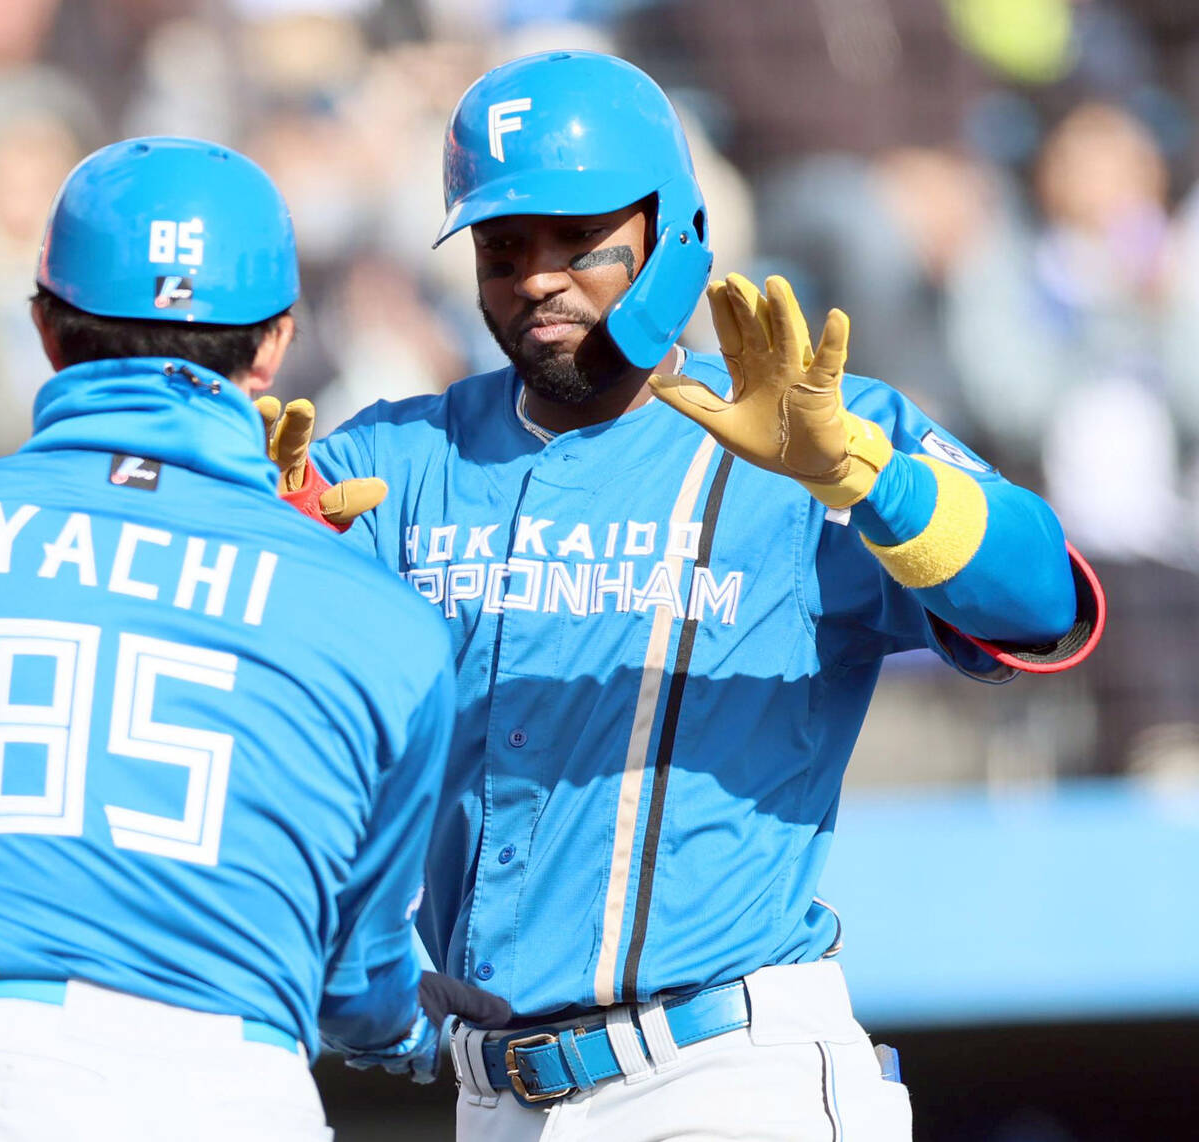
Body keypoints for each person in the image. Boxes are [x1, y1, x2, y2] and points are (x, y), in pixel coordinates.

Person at [270, 52, 1104, 1141]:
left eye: (581, 239)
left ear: (676, 232)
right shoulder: (398, 456)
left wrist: (871, 478)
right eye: (504, 244)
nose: (536, 276)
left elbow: (1043, 599)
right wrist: (260, 544)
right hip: (494, 1100)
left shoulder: (810, 428)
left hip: (725, 1077)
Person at [0, 136, 506, 1142]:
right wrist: (405, 1030)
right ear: (273, 346)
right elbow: (360, 980)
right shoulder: (377, 617)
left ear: (47, 328)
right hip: (221, 1089)